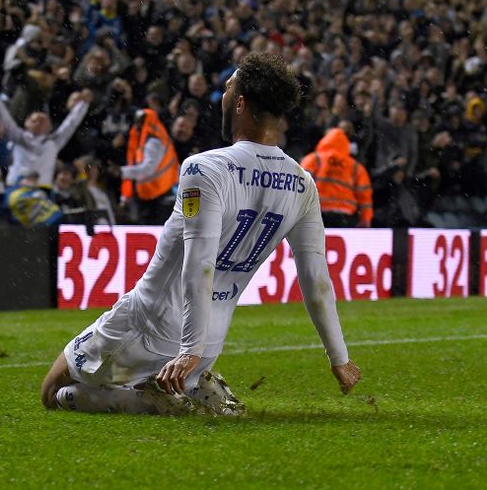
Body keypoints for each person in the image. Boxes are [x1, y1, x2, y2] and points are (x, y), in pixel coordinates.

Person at [40, 53, 361, 416]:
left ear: (240, 103)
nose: (222, 96)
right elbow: (317, 282)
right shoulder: (302, 183)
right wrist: (340, 358)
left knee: (52, 392)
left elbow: (200, 264)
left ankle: (158, 400)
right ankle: (188, 386)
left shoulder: (204, 167)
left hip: (147, 327)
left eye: (227, 89)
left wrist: (186, 350)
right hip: (211, 340)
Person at [0, 82, 91, 189]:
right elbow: (5, 119)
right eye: (34, 120)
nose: (39, 122)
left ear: (50, 126)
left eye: (43, 120)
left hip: (42, 192)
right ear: (26, 124)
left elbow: (71, 123)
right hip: (16, 188)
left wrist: (84, 104)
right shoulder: (18, 137)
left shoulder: (54, 143)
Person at [300, 127, 373, 228]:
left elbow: (299, 187)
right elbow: (365, 196)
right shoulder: (355, 166)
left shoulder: (313, 159)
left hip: (318, 213)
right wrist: (366, 218)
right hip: (345, 217)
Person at [120, 108, 179, 224]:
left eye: (139, 122)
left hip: (157, 194)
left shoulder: (153, 142)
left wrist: (122, 172)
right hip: (153, 192)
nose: (136, 125)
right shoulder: (149, 140)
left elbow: (147, 169)